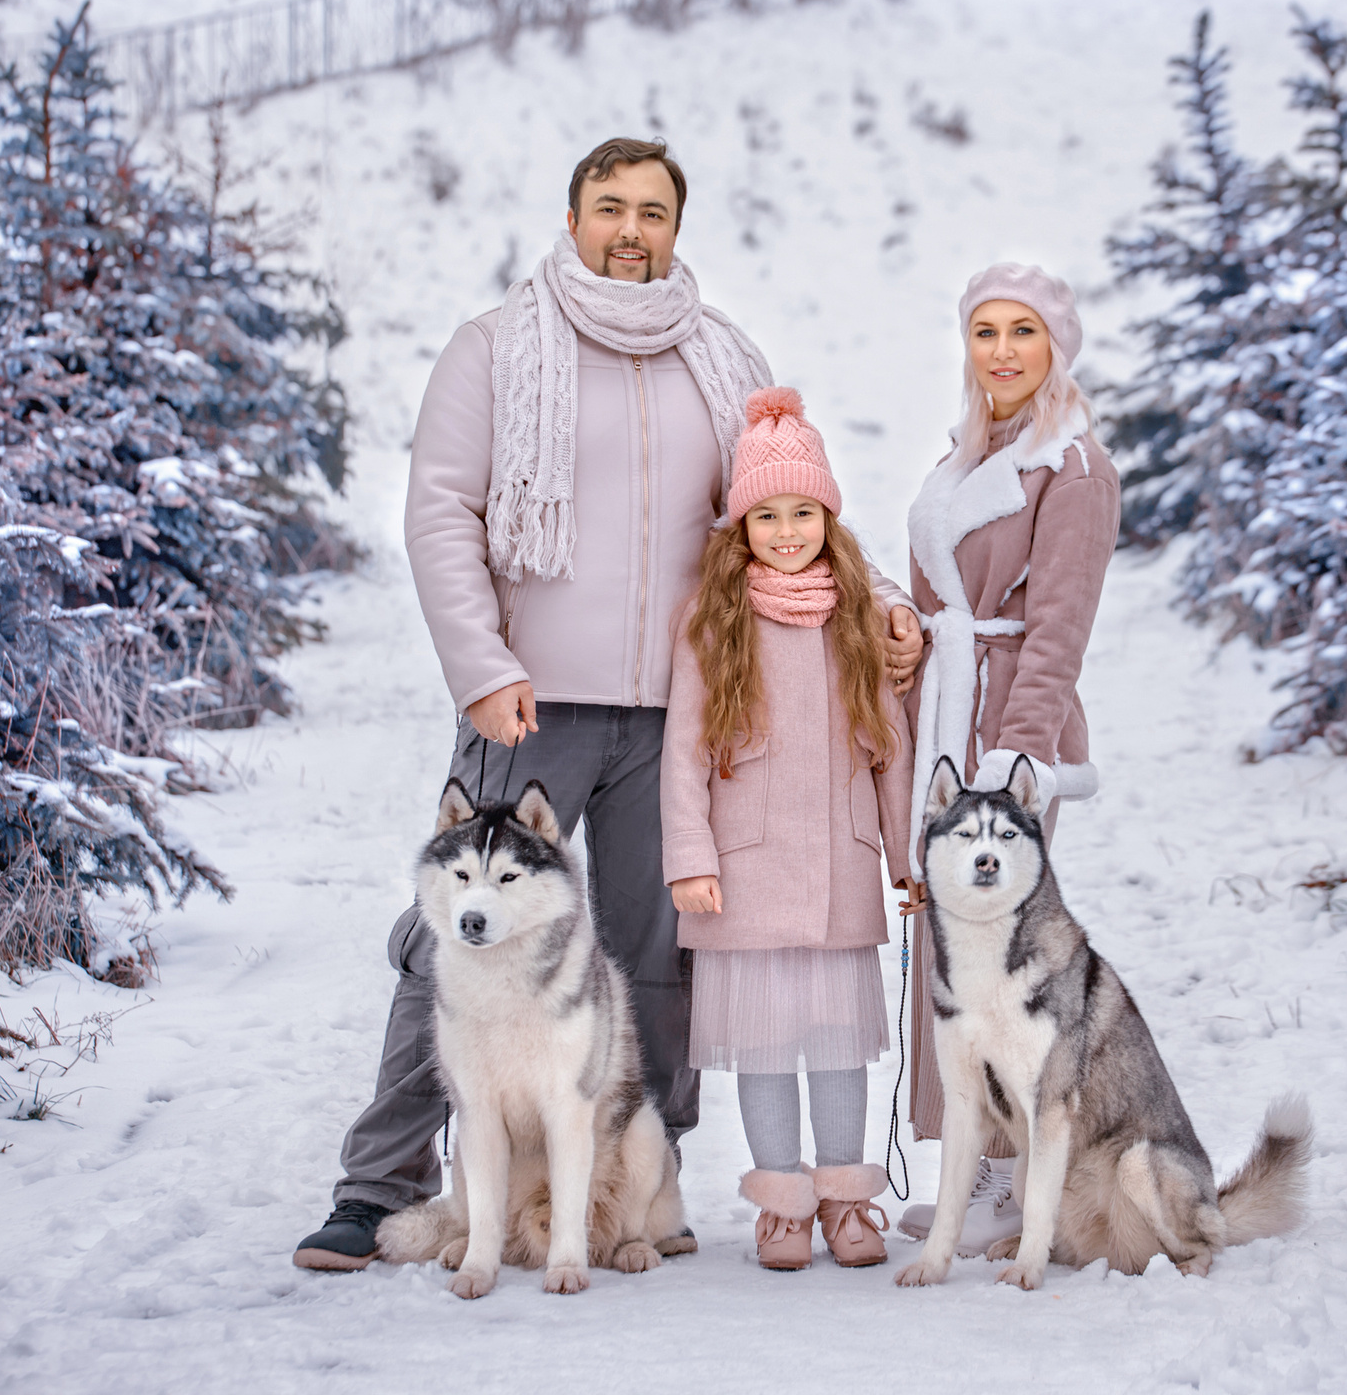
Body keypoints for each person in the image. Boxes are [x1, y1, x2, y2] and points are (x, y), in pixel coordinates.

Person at [295, 139, 923, 1271]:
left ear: (676, 227)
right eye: (610, 206)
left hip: (682, 714)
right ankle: (377, 1181)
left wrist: (875, 602)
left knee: (657, 949)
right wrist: (482, 665)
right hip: (529, 704)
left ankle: (642, 1177)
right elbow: (440, 512)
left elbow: (785, 513)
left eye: (653, 211)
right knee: (456, 937)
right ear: (574, 214)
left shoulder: (723, 359)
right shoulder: (496, 348)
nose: (631, 230)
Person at [893, 263, 1119, 1251]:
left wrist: (1013, 763)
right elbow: (938, 597)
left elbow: (1058, 628)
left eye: (1022, 330)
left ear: (1056, 346)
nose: (1001, 350)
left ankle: (1008, 1168)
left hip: (1005, 730)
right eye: (984, 330)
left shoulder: (1073, 468)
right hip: (945, 709)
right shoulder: (963, 453)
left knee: (1002, 954)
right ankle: (968, 1157)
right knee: (949, 949)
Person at [661, 389, 914, 1272]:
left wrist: (906, 857)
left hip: (840, 863)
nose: (786, 530)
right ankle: (781, 1204)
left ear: (829, 517)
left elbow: (889, 748)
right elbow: (684, 751)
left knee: (840, 1044)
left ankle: (846, 1198)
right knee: (765, 1045)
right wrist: (690, 857)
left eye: (803, 512)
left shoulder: (858, 614)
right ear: (741, 526)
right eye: (766, 515)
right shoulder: (713, 618)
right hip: (747, 870)